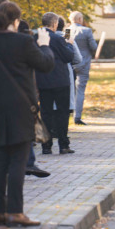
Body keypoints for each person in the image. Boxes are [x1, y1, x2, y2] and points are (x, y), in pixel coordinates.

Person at [0, 0, 55, 227]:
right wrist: (45, 44)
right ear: (16, 21)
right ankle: (15, 211)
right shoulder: (23, 41)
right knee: (18, 159)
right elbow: (46, 64)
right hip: (20, 108)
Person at [35, 12, 77, 155]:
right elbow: (68, 57)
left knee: (45, 113)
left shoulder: (36, 37)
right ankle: (63, 145)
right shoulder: (58, 38)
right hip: (60, 80)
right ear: (54, 24)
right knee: (62, 113)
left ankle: (46, 146)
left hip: (43, 81)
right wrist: (70, 43)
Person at [68, 11, 98, 125]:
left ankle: (69, 114)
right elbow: (93, 46)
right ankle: (77, 117)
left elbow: (66, 45)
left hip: (71, 63)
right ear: (80, 19)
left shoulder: (67, 31)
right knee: (80, 89)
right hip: (84, 63)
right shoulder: (87, 31)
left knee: (71, 89)